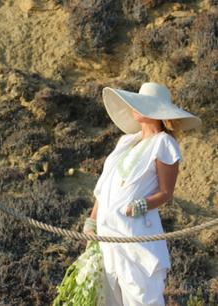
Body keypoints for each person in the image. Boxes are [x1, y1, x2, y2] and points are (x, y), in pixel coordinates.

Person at [82, 82, 202, 306]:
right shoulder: (127, 141)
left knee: (141, 296)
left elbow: (166, 192)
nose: (133, 107)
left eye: (141, 104)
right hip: (109, 235)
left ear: (156, 112)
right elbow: (105, 184)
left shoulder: (164, 143)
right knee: (110, 297)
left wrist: (141, 205)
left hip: (134, 233)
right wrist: (92, 219)